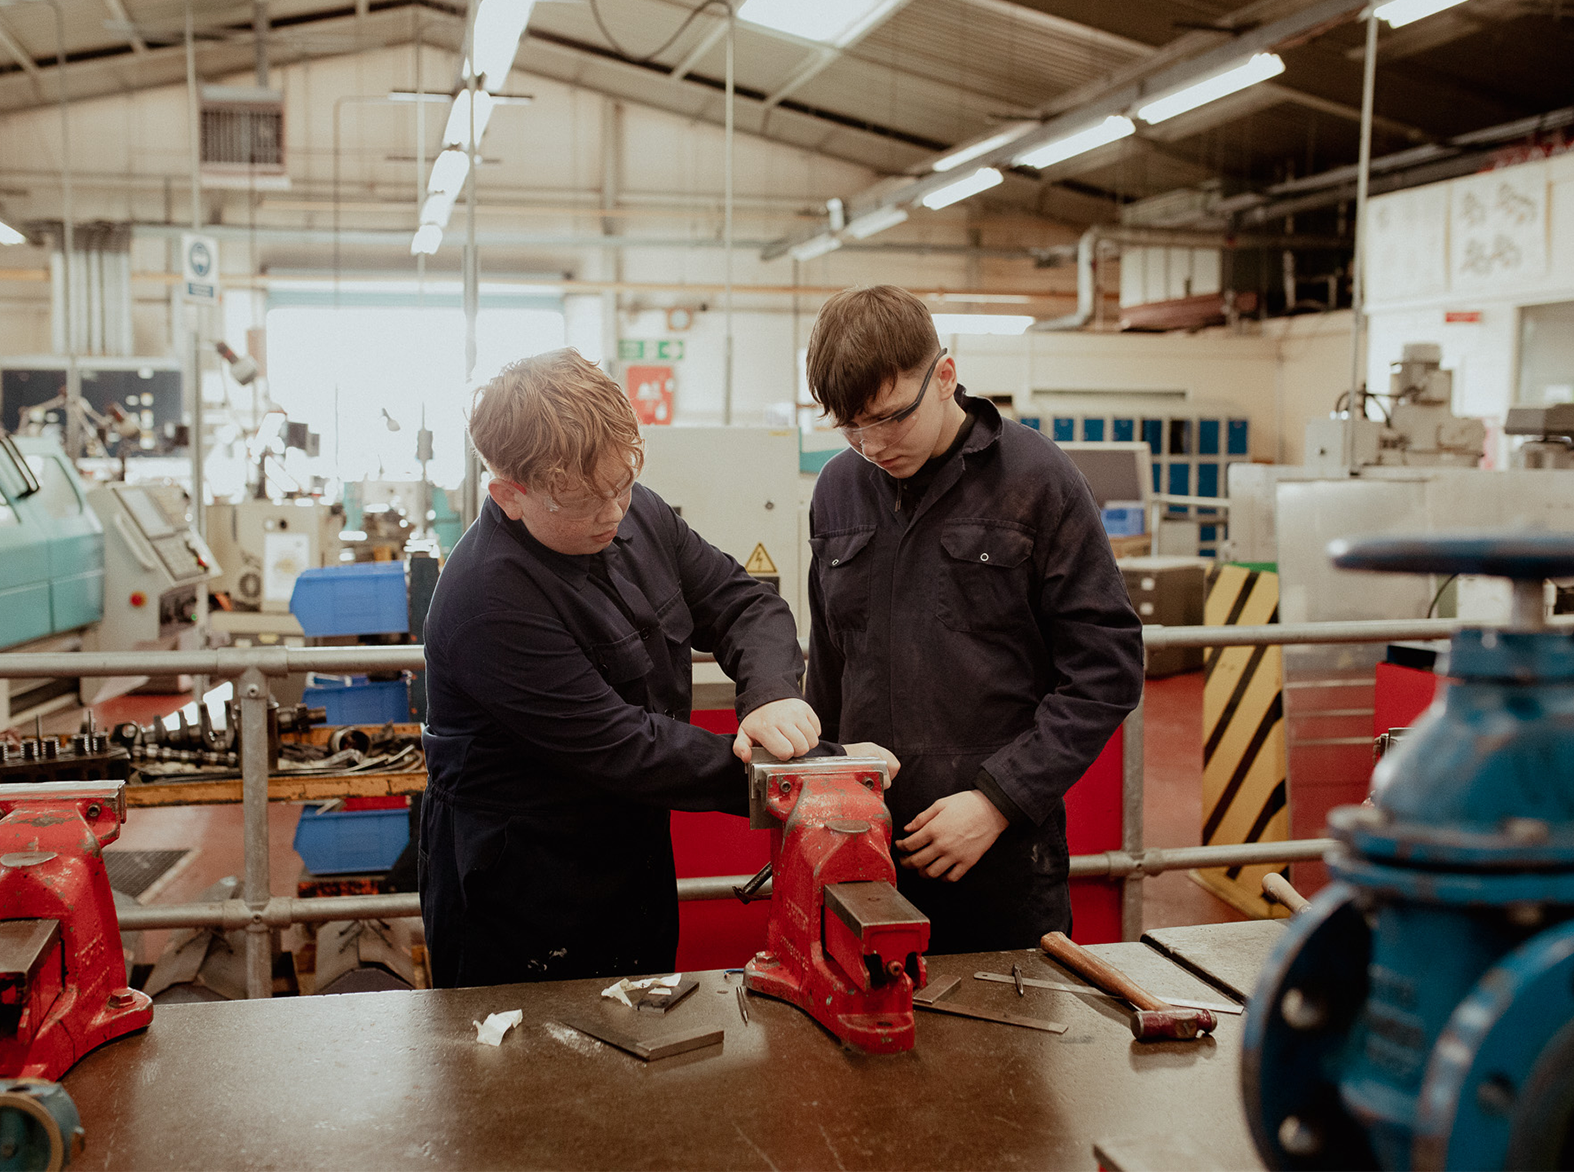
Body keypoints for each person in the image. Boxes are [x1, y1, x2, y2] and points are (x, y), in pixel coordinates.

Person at [419, 348, 884, 988]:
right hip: (523, 885)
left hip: (629, 852)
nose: (613, 510)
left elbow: (744, 603)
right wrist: (816, 770)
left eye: (623, 483)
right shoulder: (487, 602)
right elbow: (627, 748)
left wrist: (771, 695)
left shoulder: (633, 511)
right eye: (586, 499)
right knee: (523, 1073)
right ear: (510, 495)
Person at [803, 285, 1145, 953]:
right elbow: (830, 671)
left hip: (1001, 862)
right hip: (861, 853)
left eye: (888, 418)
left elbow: (1107, 668)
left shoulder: (1037, 481)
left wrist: (997, 802)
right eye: (849, 426)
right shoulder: (838, 489)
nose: (870, 446)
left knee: (1007, 1051)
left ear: (945, 379)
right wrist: (822, 796)